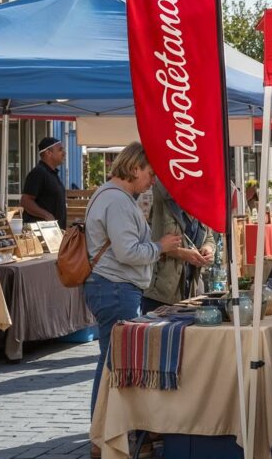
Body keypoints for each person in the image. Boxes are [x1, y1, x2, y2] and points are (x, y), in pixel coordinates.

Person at [82, 143, 179, 458]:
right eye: (150, 173)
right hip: (115, 288)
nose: (152, 181)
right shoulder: (118, 201)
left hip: (111, 287)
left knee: (111, 362)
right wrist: (159, 247)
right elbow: (128, 252)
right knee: (112, 364)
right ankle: (103, 438)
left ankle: (107, 434)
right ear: (135, 168)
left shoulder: (108, 195)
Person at [142, 179, 215, 315]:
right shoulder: (165, 205)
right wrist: (183, 254)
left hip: (188, 293)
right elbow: (158, 243)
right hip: (161, 291)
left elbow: (210, 239)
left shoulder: (202, 212)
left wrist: (208, 250)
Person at [21, 137, 68, 229]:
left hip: (54, 232)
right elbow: (25, 201)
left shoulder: (52, 174)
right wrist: (46, 215)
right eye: (60, 150)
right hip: (42, 233)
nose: (64, 153)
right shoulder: (38, 173)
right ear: (48, 153)